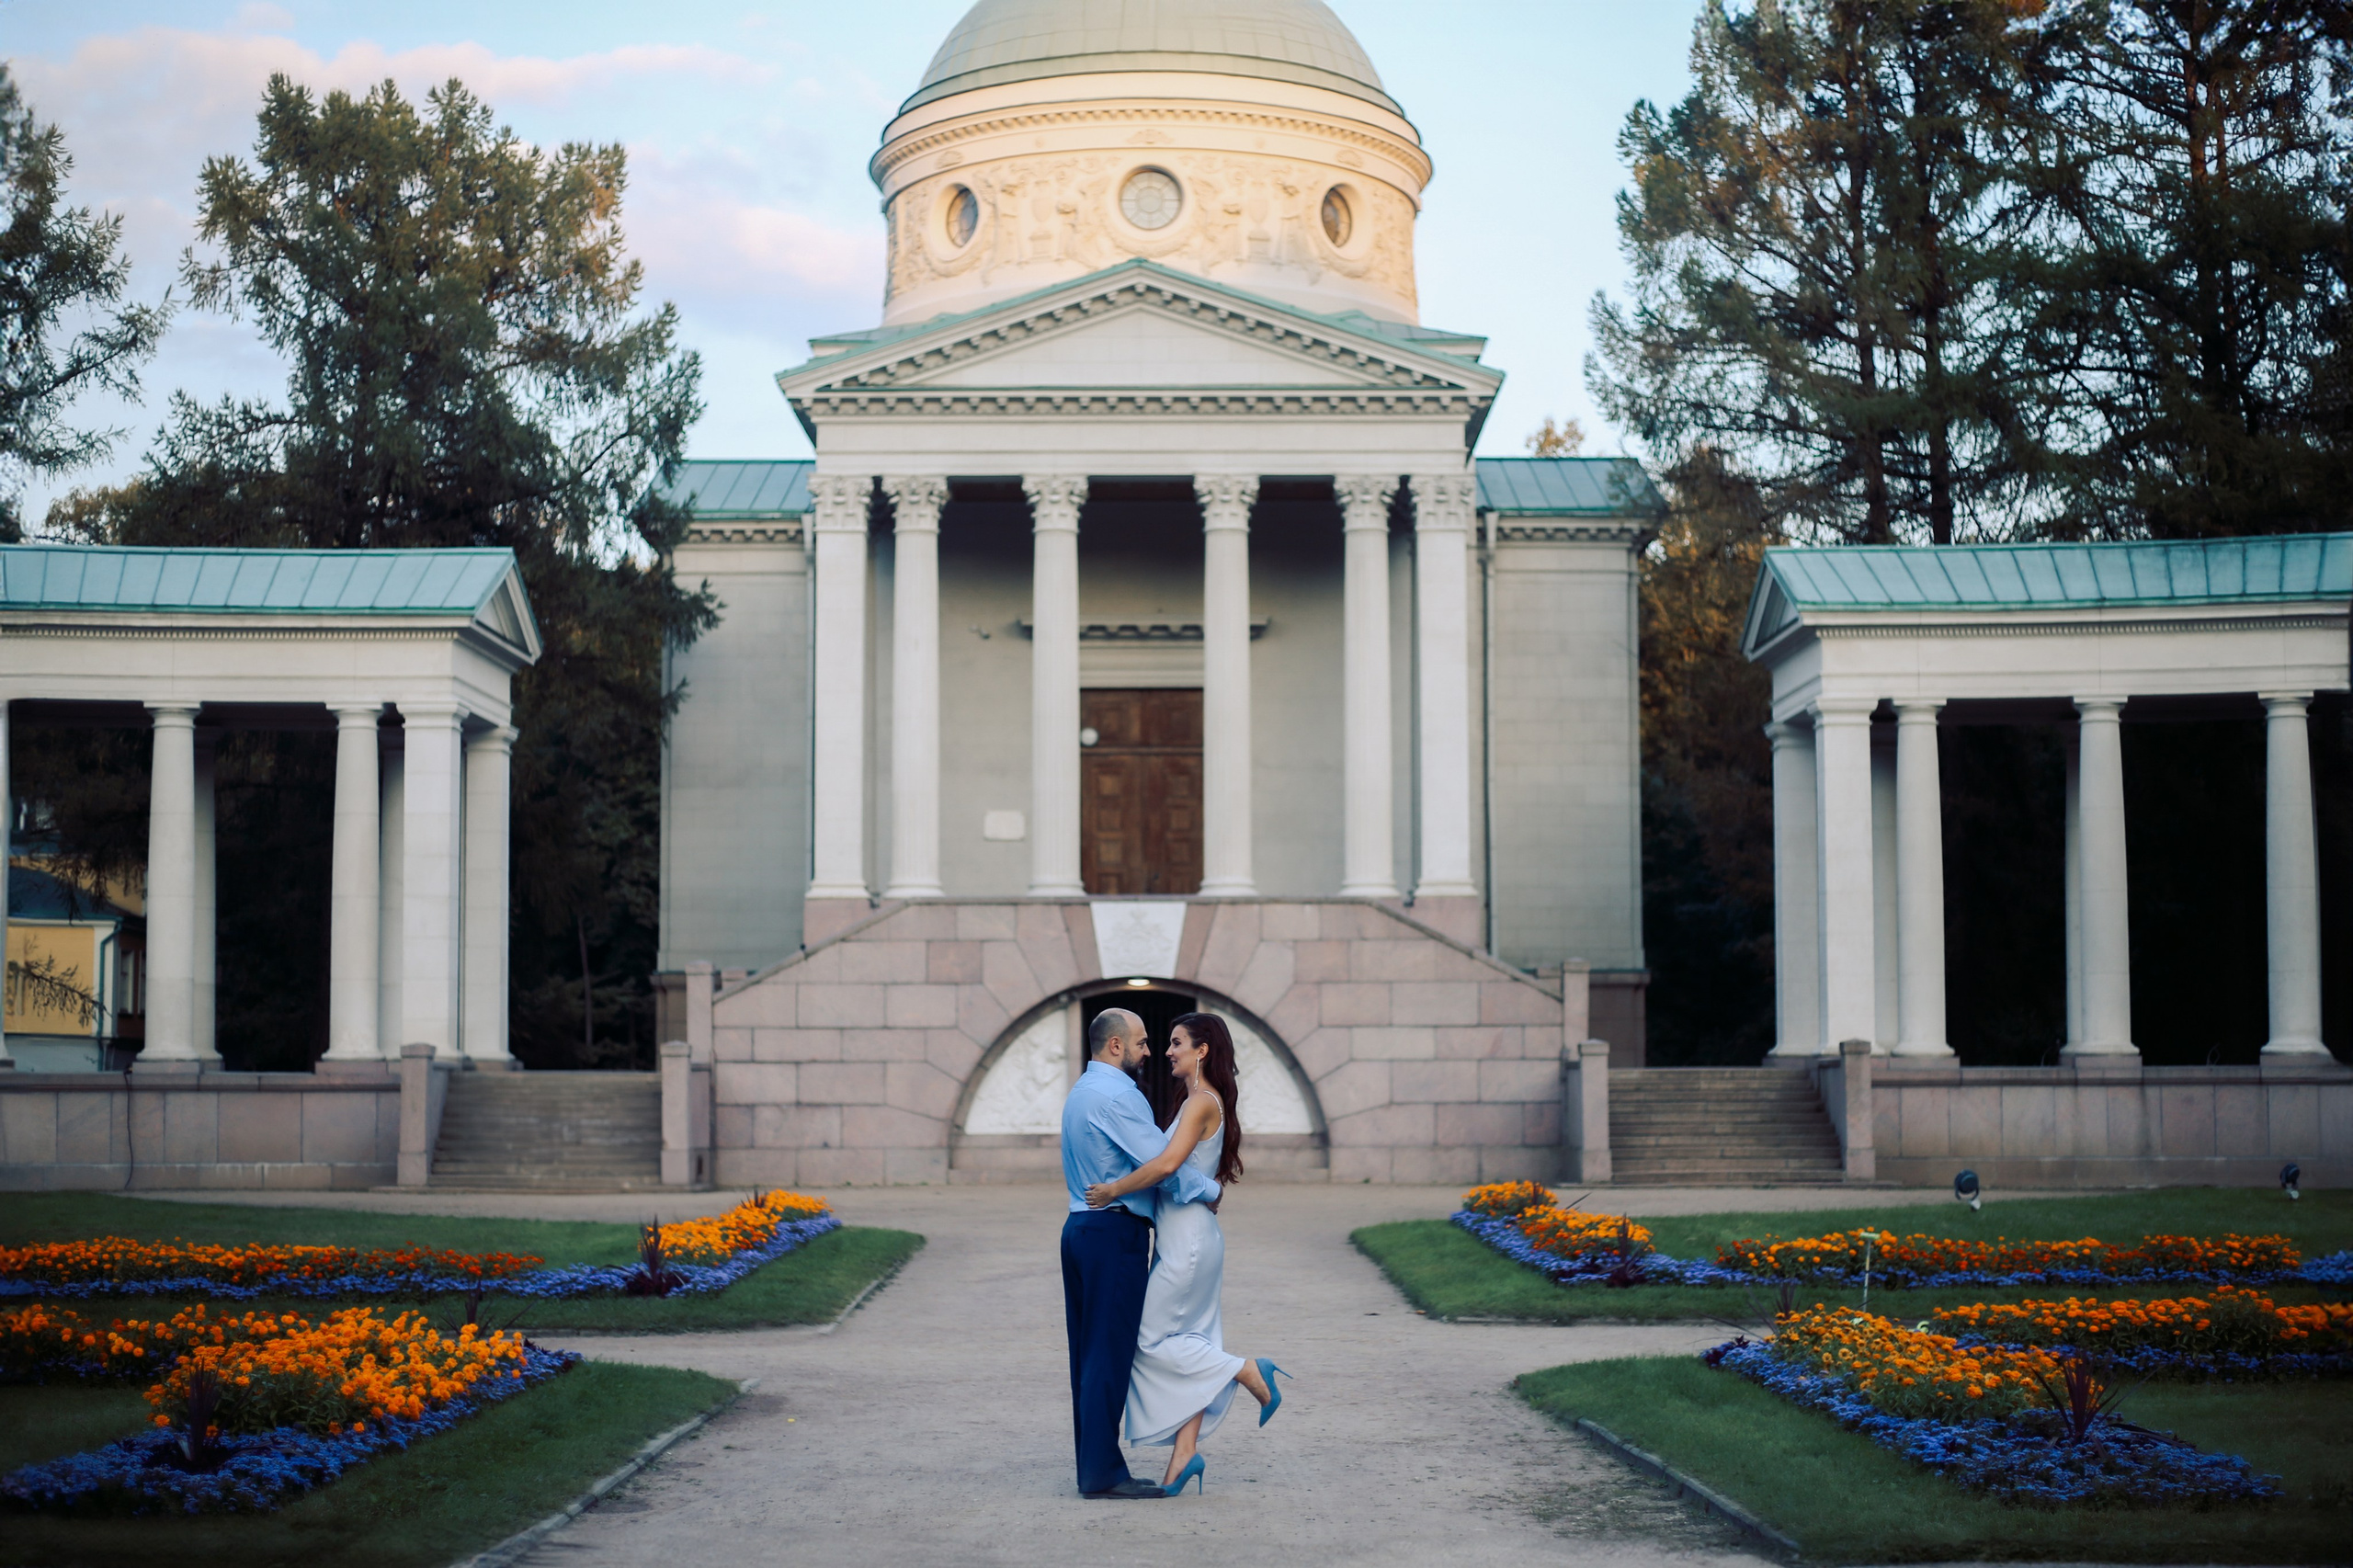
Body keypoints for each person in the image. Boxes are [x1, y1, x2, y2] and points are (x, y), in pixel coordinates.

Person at [1084, 1012, 1290, 1497]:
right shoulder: (1198, 1100)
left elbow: (1167, 1165)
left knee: (1150, 1340)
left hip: (1189, 1241)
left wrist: (1114, 1188)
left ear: (1202, 1050)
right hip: (1189, 1235)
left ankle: (1247, 1370)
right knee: (1190, 1339)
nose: (1167, 1051)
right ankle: (1183, 1456)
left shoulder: (1201, 1102)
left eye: (1176, 1043)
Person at [1059, 1006, 1222, 1500]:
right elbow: (1163, 1163)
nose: (1149, 1052)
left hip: (1080, 1231)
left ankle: (1094, 1467)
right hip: (1114, 1235)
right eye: (1142, 1043)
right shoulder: (1117, 1096)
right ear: (1115, 1046)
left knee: (1087, 1358)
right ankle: (1103, 1474)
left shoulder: (1080, 1092)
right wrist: (1209, 1190)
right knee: (1109, 1357)